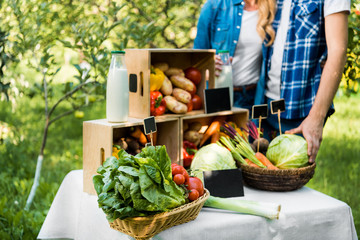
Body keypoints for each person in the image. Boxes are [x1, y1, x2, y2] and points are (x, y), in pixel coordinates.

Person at [254, 0, 351, 163]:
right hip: (264, 105)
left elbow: (338, 52)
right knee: (256, 177)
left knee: (288, 180)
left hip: (300, 109)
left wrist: (316, 118)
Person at [194, 0, 276, 110]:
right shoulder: (214, 6)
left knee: (253, 128)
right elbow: (197, 58)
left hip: (254, 97)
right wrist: (208, 64)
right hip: (218, 95)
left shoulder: (271, 9)